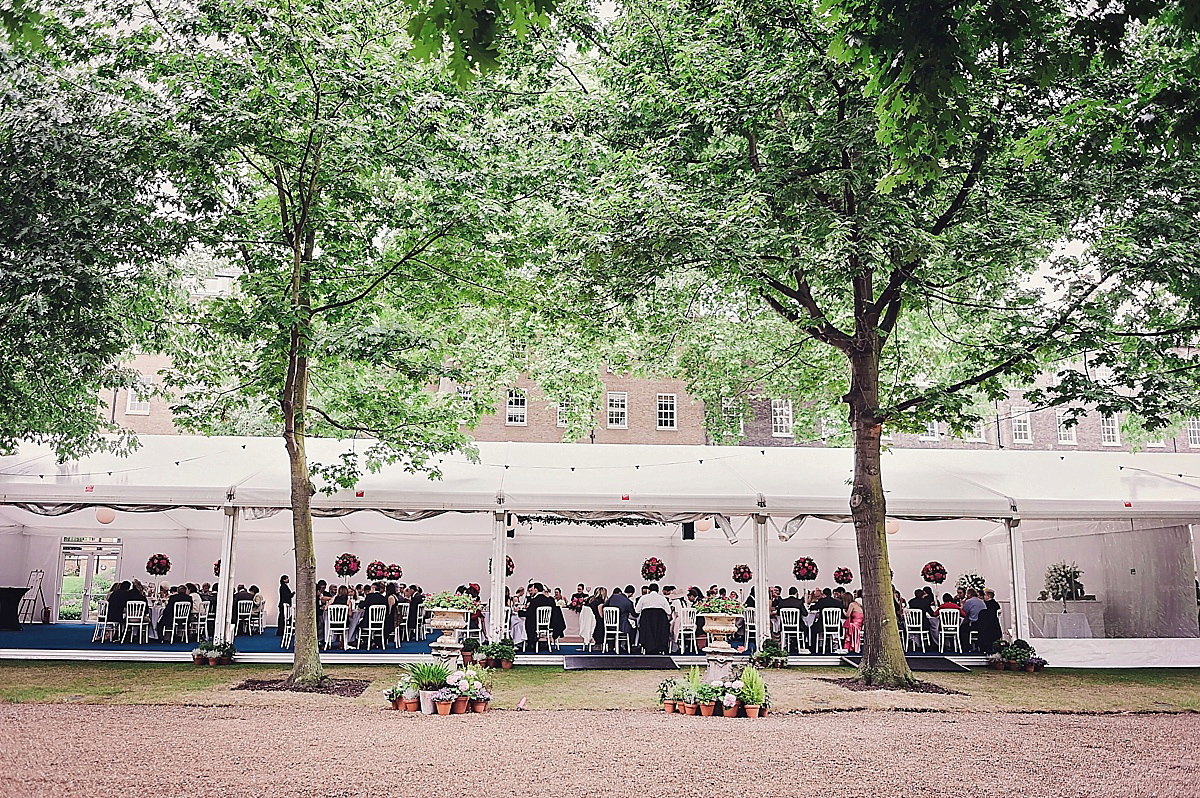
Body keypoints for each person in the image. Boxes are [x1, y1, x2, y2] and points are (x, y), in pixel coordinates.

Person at [522, 583, 563, 652]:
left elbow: (529, 613)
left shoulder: (534, 600)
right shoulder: (550, 600)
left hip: (535, 625)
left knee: (527, 622)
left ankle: (530, 642)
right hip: (548, 624)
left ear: (536, 590)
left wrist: (520, 612)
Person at [633, 583, 672, 654]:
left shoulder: (643, 598)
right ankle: (660, 648)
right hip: (660, 622)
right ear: (658, 590)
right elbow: (669, 611)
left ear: (649, 590)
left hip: (646, 622)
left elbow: (636, 611)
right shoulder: (663, 598)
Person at [976, 589, 1003, 653]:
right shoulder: (995, 604)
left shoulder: (986, 605)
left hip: (987, 625)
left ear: (988, 596)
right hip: (993, 625)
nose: (984, 597)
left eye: (985, 595)